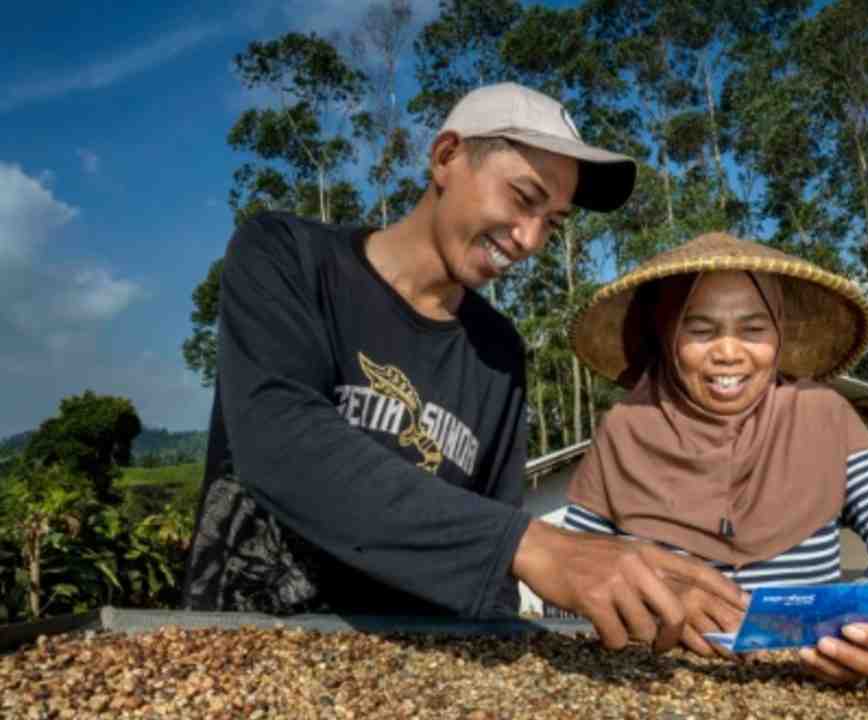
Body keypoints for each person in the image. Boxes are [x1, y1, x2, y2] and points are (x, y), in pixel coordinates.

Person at [181, 83, 746, 653]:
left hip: (401, 670)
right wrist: (536, 546)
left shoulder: (498, 354)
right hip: (243, 647)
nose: (529, 240)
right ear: (446, 157)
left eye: (552, 221)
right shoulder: (287, 256)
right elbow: (281, 440)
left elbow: (487, 546)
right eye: (524, 198)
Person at [563, 231, 868, 684]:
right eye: (700, 330)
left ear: (778, 336)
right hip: (657, 685)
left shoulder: (820, 416)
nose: (728, 353)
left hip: (811, 680)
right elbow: (572, 577)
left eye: (753, 330)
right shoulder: (624, 429)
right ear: (668, 333)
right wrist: (652, 603)